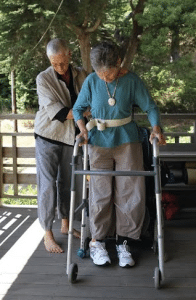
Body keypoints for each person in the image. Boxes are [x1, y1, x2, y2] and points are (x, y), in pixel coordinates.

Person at [73, 41, 166, 267]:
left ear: (119, 63)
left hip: (127, 140)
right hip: (97, 143)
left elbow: (150, 107)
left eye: (110, 71)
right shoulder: (92, 81)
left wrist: (155, 128)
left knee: (130, 190)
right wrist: (83, 128)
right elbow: (77, 108)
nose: (105, 76)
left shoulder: (131, 80)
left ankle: (124, 243)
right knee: (100, 192)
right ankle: (99, 242)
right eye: (100, 72)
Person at [34, 38, 89, 253]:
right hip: (48, 136)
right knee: (47, 185)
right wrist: (83, 112)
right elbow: (58, 113)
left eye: (62, 63)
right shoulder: (44, 78)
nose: (59, 68)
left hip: (70, 137)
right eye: (54, 63)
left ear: (69, 55)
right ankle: (48, 233)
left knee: (67, 182)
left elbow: (92, 99)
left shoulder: (81, 74)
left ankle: (66, 225)